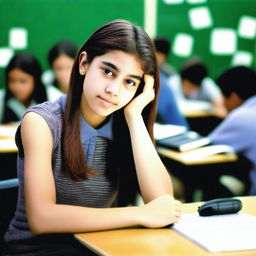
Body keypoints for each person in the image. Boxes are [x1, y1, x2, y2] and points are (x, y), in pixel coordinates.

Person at [3, 19, 182, 255]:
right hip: (37, 250)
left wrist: (135, 115)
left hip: (99, 248)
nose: (114, 90)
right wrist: (139, 214)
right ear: (84, 63)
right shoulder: (41, 122)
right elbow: (42, 218)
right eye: (108, 72)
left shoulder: (125, 125)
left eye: (130, 82)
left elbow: (162, 203)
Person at [209, 65, 256, 196]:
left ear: (234, 97)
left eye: (223, 98)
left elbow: (208, 145)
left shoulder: (242, 115)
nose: (223, 104)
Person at [0, 52, 48, 124]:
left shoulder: (52, 98)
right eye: (12, 80)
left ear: (36, 80)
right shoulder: (1, 100)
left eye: (23, 81)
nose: (17, 87)